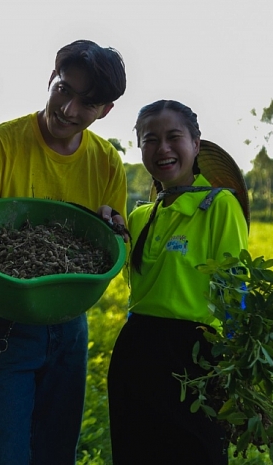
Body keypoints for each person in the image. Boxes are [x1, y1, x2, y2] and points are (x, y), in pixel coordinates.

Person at [0, 39, 128, 465]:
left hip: (70, 325)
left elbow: (113, 251)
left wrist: (113, 230)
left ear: (104, 110)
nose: (69, 110)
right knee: (6, 456)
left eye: (87, 103)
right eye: (64, 89)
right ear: (51, 79)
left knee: (55, 454)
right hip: (4, 323)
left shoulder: (105, 162)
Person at [106, 100, 249, 465]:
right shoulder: (139, 217)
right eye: (150, 140)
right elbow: (134, 284)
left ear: (196, 144)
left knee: (195, 453)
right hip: (137, 351)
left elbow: (234, 288)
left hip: (197, 355)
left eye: (174, 137)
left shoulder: (220, 205)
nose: (162, 149)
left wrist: (237, 371)